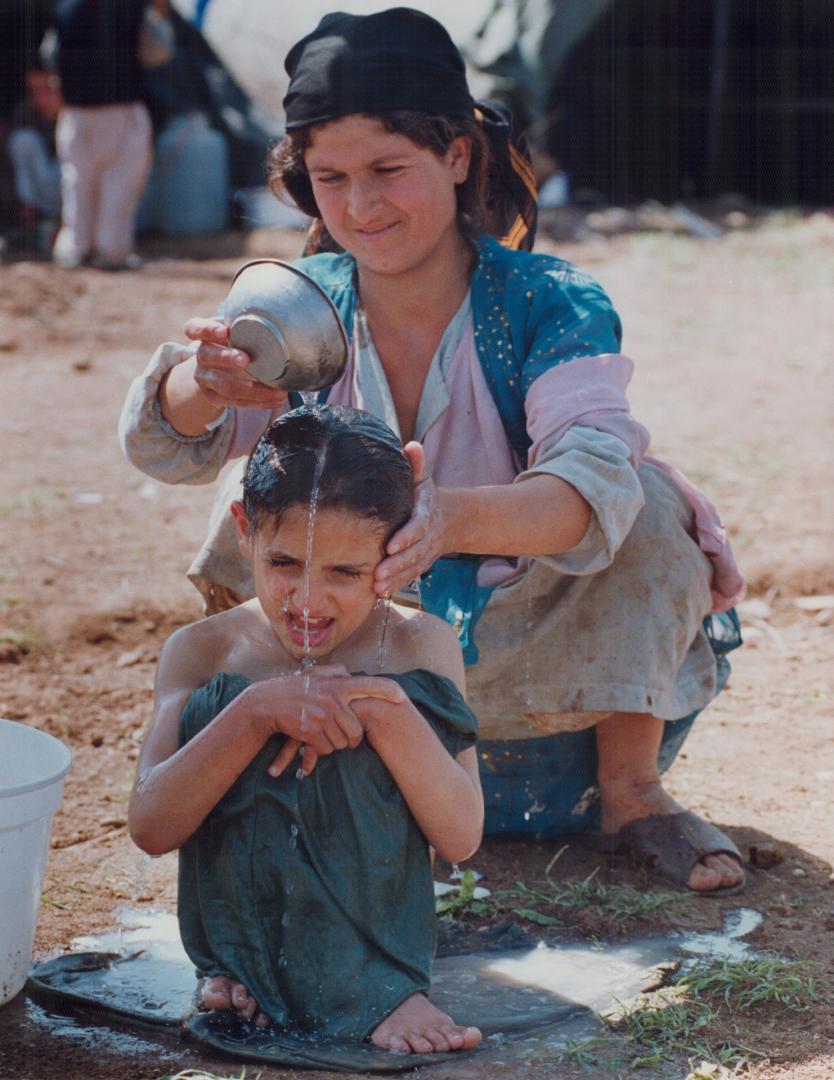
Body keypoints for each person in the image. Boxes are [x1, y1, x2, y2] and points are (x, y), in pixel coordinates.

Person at [120, 8, 746, 895]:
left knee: (644, 501)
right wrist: (206, 386)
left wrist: (448, 517)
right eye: (331, 178)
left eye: (389, 170)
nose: (361, 206)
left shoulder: (548, 302)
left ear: (457, 156)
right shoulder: (299, 306)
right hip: (359, 644)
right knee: (265, 509)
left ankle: (632, 791)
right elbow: (169, 447)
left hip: (536, 637)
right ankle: (322, 761)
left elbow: (590, 475)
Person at [128, 405, 484, 1053]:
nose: (309, 601)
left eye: (346, 573)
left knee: (388, 708)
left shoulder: (419, 647)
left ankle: (370, 984)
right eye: (285, 562)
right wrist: (256, 711)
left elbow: (461, 837)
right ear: (244, 531)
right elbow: (151, 826)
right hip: (234, 931)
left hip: (379, 949)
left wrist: (379, 713)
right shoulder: (204, 652)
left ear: (398, 550)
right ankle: (245, 959)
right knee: (220, 712)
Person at [51, 0, 156, 269]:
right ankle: (111, 250)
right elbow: (158, 49)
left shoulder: (66, 6)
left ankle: (76, 246)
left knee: (78, 181)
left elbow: (50, 54)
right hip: (121, 105)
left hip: (76, 109)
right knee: (120, 179)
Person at [6, 66, 63, 247]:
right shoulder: (26, 114)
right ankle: (29, 227)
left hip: (81, 206)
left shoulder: (81, 115)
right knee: (23, 141)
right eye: (33, 90)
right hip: (43, 201)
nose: (39, 98)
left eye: (47, 89)